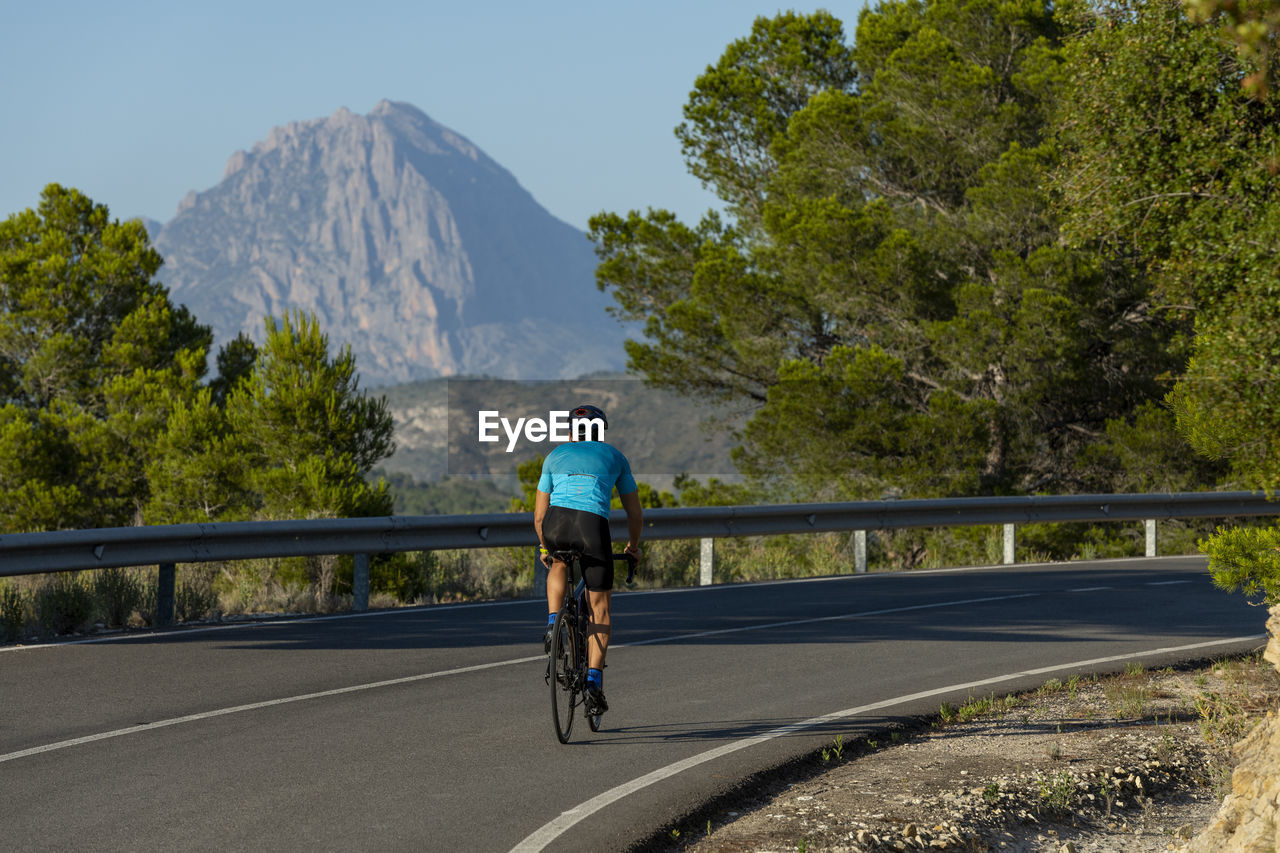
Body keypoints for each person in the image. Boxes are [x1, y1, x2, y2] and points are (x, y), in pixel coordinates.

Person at [534, 404, 643, 715]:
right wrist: (633, 546)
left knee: (559, 563)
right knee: (600, 607)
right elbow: (634, 513)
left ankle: (554, 623)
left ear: (570, 432)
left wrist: (545, 548)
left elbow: (539, 516)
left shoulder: (554, 456)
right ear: (602, 433)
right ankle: (593, 681)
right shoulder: (615, 457)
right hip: (592, 526)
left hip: (556, 523)